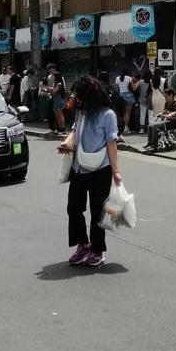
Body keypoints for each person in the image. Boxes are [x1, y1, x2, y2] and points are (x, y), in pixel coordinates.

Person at [57, 76, 123, 268]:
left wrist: (116, 171)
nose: (76, 100)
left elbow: (112, 143)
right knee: (74, 207)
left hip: (100, 168)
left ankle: (97, 250)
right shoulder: (81, 112)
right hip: (79, 166)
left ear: (89, 96)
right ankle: (82, 244)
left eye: (79, 96)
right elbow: (75, 132)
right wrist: (67, 143)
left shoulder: (107, 114)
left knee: (97, 211)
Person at [47, 65, 66, 135]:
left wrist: (50, 89)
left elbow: (55, 91)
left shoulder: (59, 83)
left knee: (60, 114)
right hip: (55, 98)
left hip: (59, 98)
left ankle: (62, 128)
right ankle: (59, 128)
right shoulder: (53, 81)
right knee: (56, 113)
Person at [115, 68, 135, 135]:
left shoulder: (117, 78)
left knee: (123, 113)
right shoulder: (129, 78)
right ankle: (126, 128)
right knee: (128, 113)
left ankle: (122, 128)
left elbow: (117, 88)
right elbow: (133, 88)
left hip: (121, 96)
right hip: (128, 96)